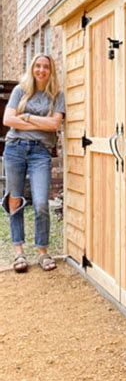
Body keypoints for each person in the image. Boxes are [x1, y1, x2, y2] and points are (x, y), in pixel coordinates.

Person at [2, 54, 65, 273]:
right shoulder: (20, 90)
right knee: (15, 201)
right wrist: (40, 123)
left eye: (45, 67)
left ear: (50, 70)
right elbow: (8, 120)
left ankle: (42, 252)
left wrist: (26, 117)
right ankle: (19, 253)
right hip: (15, 149)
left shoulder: (56, 95)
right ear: (32, 68)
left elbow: (54, 124)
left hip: (40, 153)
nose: (41, 70)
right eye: (37, 66)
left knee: (40, 203)